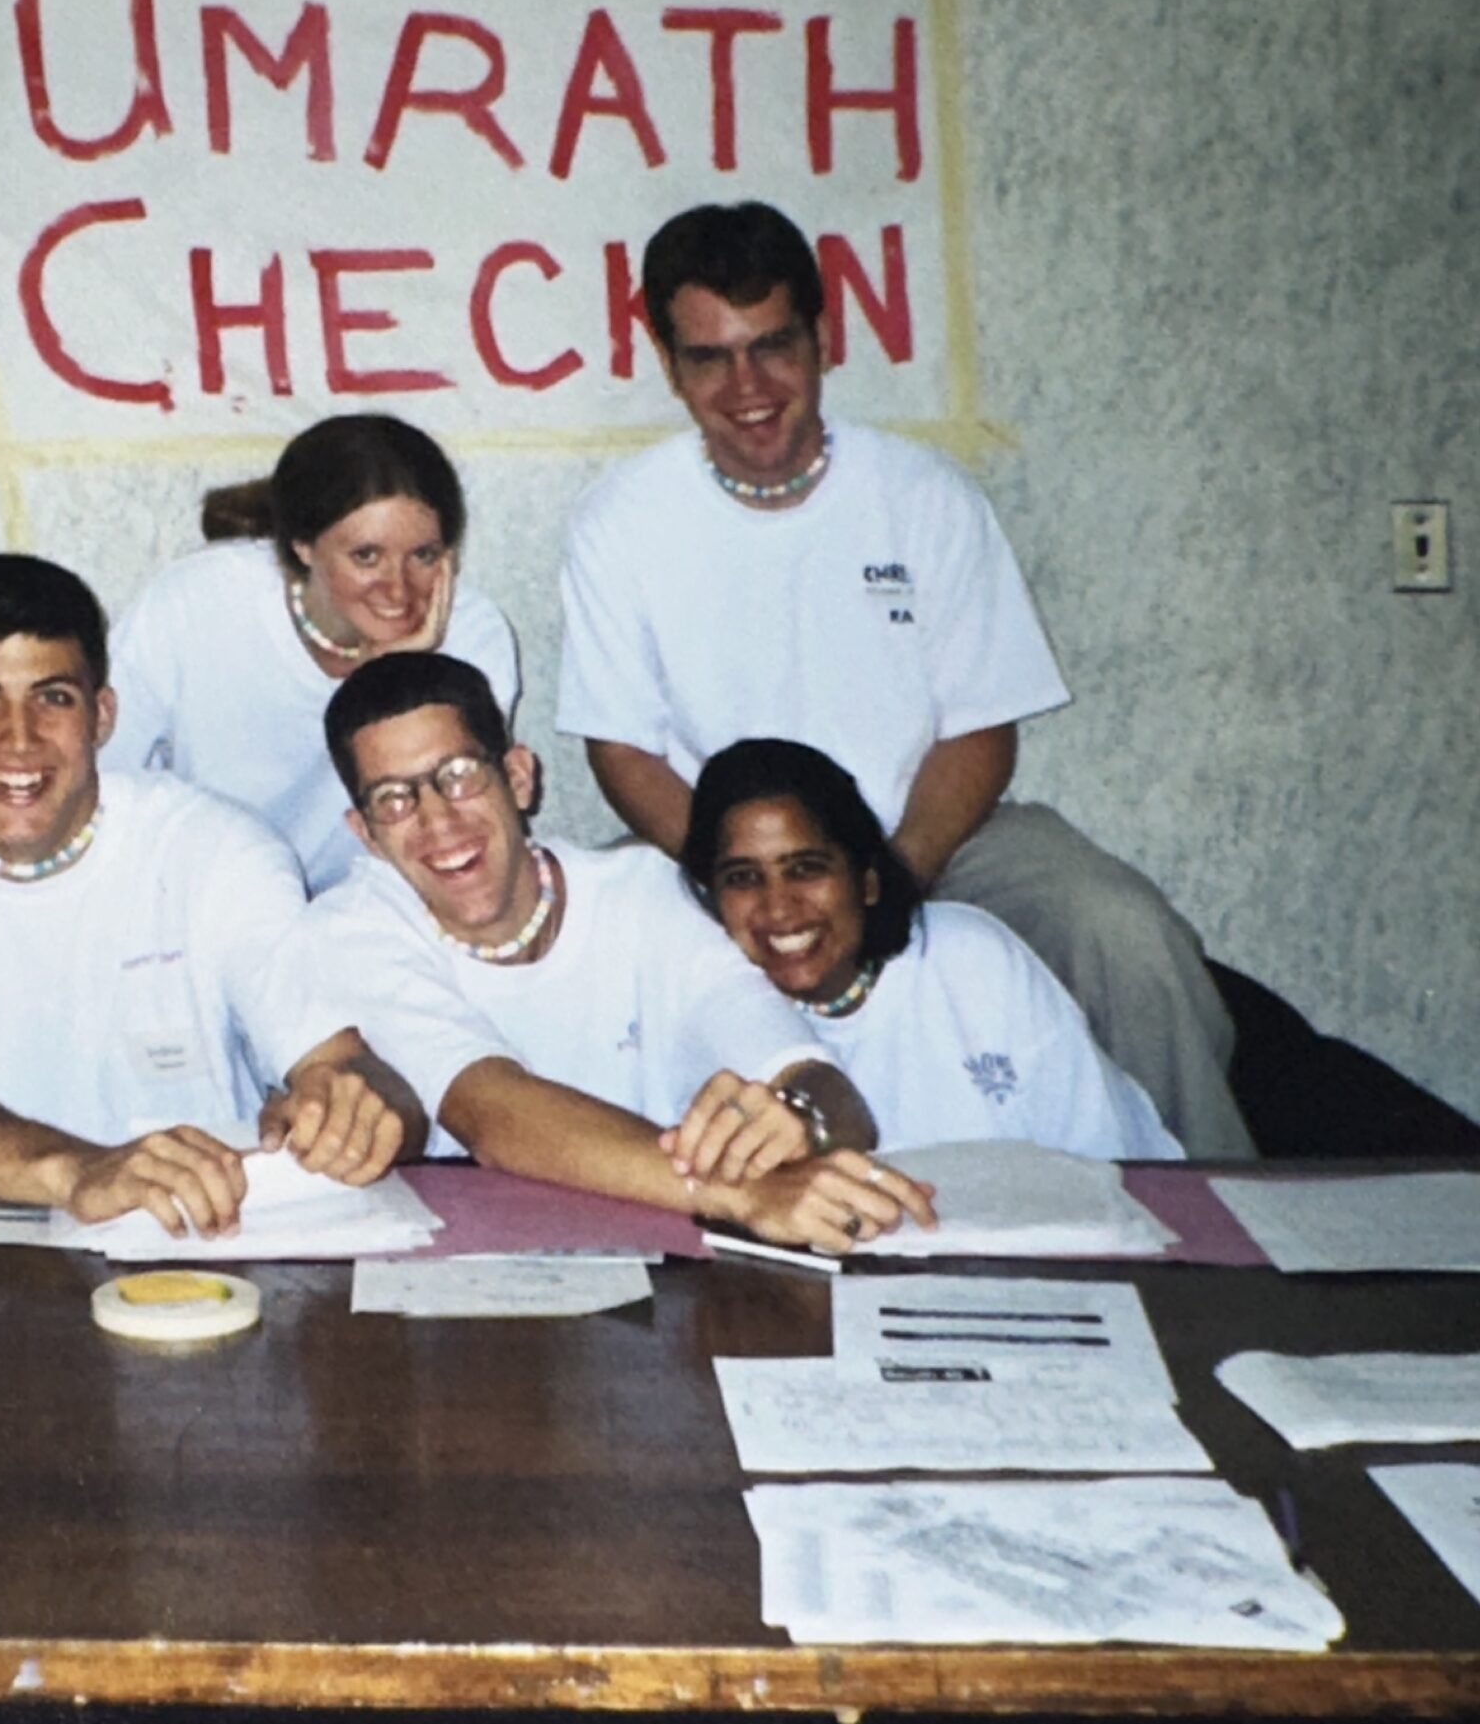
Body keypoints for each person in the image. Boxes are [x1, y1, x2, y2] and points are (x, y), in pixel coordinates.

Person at [556, 200, 1255, 1159]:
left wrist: (893, 874)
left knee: (1123, 935)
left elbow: (980, 728)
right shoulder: (620, 521)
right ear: (668, 360)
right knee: (593, 965)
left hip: (928, 832)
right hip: (718, 848)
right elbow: (622, 748)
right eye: (710, 357)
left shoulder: (926, 497)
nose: (747, 386)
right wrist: (742, 886)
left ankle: (1224, 1218)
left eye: (774, 346)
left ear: (823, 337)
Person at [0, 554, 412, 1240]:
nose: (18, 738)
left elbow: (342, 1063)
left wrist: (349, 1107)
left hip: (196, 1251)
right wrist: (79, 1173)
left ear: (103, 714)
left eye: (53, 697)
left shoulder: (215, 850)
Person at [308, 652, 937, 1255]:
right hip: (455, 1284)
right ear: (364, 834)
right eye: (394, 799)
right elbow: (493, 1112)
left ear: (519, 777)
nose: (438, 822)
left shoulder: (643, 892)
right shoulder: (354, 928)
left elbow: (810, 1074)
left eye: (460, 777)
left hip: (665, 1273)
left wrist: (804, 1120)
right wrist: (747, 1193)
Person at [682, 739, 1182, 1160]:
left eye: (807, 869)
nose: (780, 908)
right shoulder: (702, 1002)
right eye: (743, 878)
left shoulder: (973, 961)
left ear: (868, 881)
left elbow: (1111, 1161)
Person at [108, 413, 519, 891]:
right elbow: (107, 782)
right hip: (205, 897)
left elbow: (454, 829)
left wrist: (398, 678)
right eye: (367, 556)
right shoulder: (194, 602)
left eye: (423, 556)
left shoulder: (473, 634)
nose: (399, 589)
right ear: (303, 546)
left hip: (380, 905)